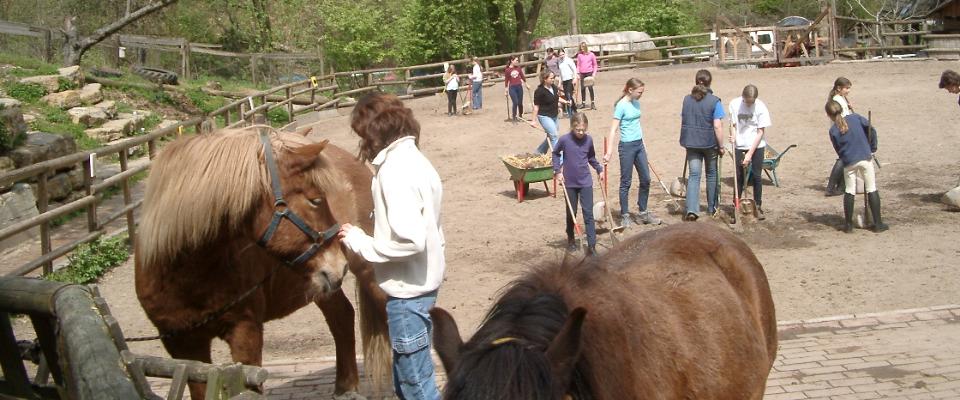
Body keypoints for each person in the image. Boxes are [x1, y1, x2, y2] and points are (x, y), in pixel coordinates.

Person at [338, 92, 445, 400]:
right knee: (410, 381)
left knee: (417, 389)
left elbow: (409, 240)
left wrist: (361, 242)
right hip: (423, 288)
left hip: (406, 296)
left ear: (374, 129)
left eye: (362, 133)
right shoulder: (417, 161)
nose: (362, 142)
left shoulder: (395, 172)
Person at [603, 78, 661, 227]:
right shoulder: (621, 106)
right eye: (639, 92)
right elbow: (613, 129)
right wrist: (609, 152)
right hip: (626, 147)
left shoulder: (637, 103)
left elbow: (637, 125)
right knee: (626, 182)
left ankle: (643, 212)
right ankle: (625, 215)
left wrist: (644, 145)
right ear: (630, 90)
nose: (641, 94)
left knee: (646, 179)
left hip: (639, 145)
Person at [825, 100, 888, 233]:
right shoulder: (856, 118)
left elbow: (838, 149)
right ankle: (878, 224)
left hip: (849, 161)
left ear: (828, 115)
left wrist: (846, 157)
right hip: (865, 157)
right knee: (871, 188)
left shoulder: (833, 130)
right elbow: (872, 130)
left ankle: (848, 226)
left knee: (849, 190)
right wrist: (872, 147)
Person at [553, 112, 603, 256]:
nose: (581, 133)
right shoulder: (564, 140)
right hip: (570, 182)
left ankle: (592, 246)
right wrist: (558, 171)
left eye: (583, 130)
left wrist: (599, 169)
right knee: (571, 212)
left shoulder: (588, 140)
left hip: (585, 181)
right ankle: (571, 238)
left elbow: (591, 157)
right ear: (572, 127)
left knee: (588, 213)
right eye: (578, 130)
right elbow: (555, 153)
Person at [679, 69, 725, 221]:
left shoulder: (686, 99)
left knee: (694, 176)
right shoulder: (715, 101)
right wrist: (722, 146)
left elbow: (685, 119)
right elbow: (717, 126)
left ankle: (692, 209)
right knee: (711, 175)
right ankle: (712, 208)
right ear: (709, 82)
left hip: (691, 143)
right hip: (709, 143)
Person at [728, 84, 771, 220]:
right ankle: (736, 206)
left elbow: (760, 132)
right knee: (739, 177)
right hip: (740, 145)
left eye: (751, 102)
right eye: (747, 101)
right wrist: (733, 135)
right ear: (743, 97)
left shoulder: (761, 107)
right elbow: (733, 125)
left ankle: (757, 205)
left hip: (756, 145)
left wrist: (750, 154)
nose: (749, 104)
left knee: (757, 176)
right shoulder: (734, 104)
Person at [826, 77, 854, 196]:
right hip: (842, 130)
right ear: (839, 88)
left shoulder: (839, 98)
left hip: (842, 129)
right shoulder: (837, 100)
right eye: (846, 88)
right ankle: (832, 187)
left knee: (846, 157)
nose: (848, 91)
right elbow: (844, 117)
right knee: (843, 158)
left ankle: (841, 186)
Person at [534, 71, 570, 154]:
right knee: (554, 136)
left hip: (554, 115)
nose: (553, 79)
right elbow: (536, 106)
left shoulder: (553, 87)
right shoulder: (539, 91)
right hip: (544, 116)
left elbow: (556, 98)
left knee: (551, 135)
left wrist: (566, 102)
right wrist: (533, 120)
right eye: (551, 78)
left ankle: (539, 152)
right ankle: (559, 158)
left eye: (553, 77)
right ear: (544, 79)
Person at [503, 55, 530, 122]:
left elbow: (522, 76)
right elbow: (506, 80)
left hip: (519, 86)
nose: (517, 62)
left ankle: (520, 115)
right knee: (515, 102)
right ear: (512, 61)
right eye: (516, 60)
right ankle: (514, 117)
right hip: (512, 87)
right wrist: (506, 89)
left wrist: (526, 84)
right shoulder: (507, 70)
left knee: (520, 103)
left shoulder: (518, 68)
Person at [575, 42, 598, 110]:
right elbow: (578, 65)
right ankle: (583, 103)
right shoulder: (579, 55)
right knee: (582, 88)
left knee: (590, 88)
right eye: (581, 48)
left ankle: (592, 103)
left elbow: (595, 65)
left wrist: (594, 73)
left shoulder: (591, 54)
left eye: (583, 48)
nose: (582, 50)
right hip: (582, 73)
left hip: (589, 72)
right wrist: (577, 73)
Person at [557, 48, 579, 117]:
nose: (562, 56)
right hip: (564, 80)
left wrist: (575, 78)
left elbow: (574, 69)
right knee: (567, 96)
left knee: (569, 94)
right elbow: (560, 73)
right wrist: (559, 83)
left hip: (570, 79)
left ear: (565, 54)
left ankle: (572, 111)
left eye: (563, 54)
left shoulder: (569, 60)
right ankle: (573, 109)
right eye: (560, 55)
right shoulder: (559, 62)